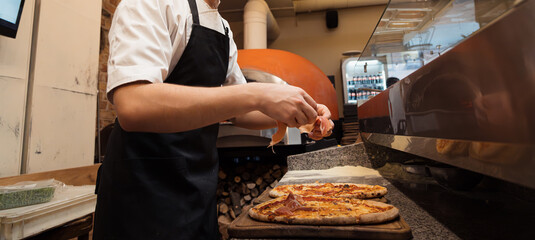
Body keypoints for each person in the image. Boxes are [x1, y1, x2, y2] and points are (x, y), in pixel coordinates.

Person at [93, 0, 332, 239]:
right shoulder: (152, 3)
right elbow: (134, 104)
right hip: (142, 197)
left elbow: (238, 110)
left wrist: (302, 115)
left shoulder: (223, 28)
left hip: (197, 192)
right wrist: (258, 93)